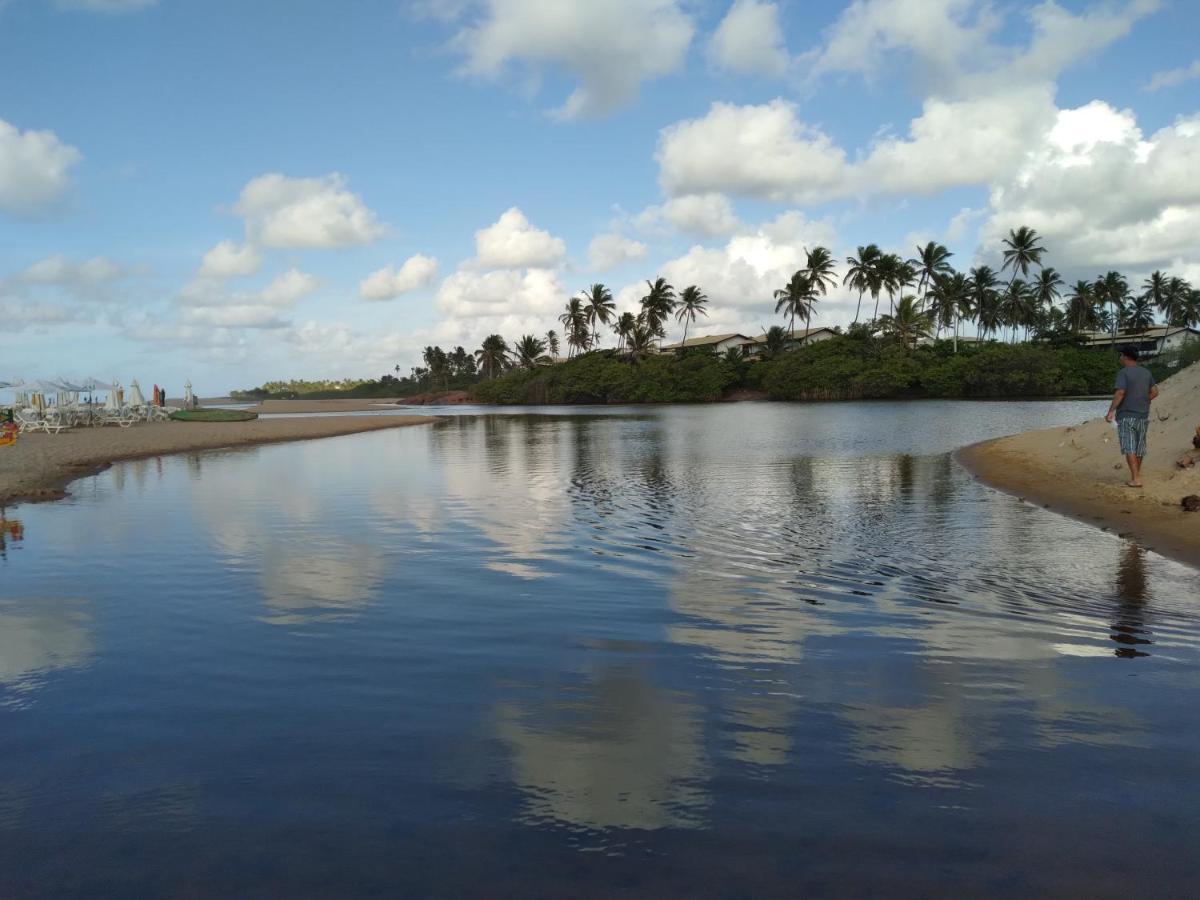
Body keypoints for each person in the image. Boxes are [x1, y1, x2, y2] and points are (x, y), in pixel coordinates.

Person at [1105, 346, 1158, 487]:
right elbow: (1154, 392)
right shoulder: (1146, 372)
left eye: (1120, 355)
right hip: (1143, 415)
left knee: (1129, 447)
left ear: (1125, 356)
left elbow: (1120, 393)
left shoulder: (1123, 373)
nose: (1120, 357)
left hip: (1127, 415)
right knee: (1139, 447)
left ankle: (1136, 479)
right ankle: (1136, 476)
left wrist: (1111, 411)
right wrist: (1143, 401)